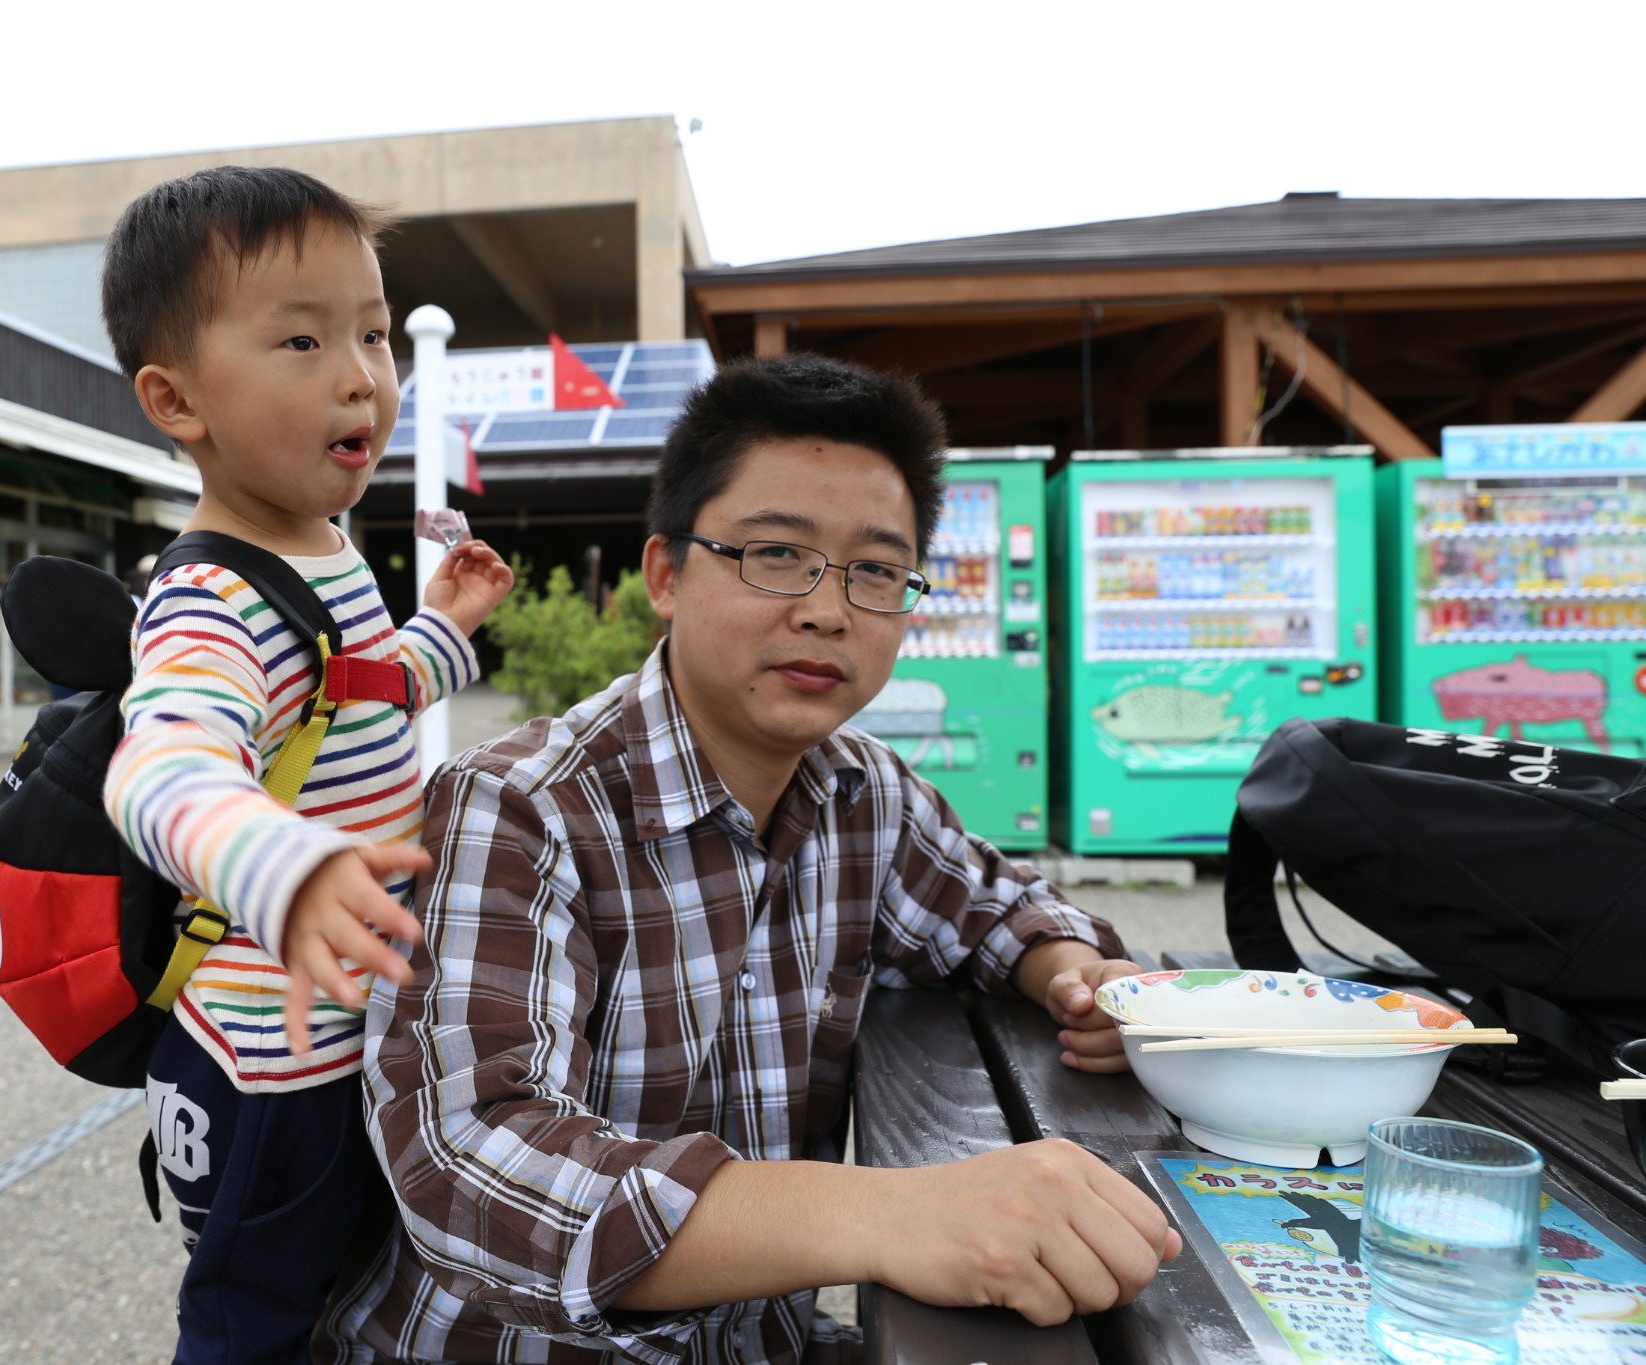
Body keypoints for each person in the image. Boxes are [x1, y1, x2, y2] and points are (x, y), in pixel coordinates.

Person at [331, 355, 1184, 1363]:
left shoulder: (860, 791)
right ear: (664, 575)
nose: (827, 608)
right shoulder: (518, 808)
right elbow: (470, 1169)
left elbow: (994, 905)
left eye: (873, 570)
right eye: (776, 554)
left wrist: (1079, 977)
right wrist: (891, 1217)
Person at [97, 164, 514, 1365]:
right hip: (267, 1061)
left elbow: (361, 693)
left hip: (345, 1017)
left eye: (374, 334)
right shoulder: (208, 598)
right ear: (178, 401)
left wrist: (443, 627)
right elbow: (162, 769)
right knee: (255, 1321)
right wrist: (286, 867)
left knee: (351, 1295)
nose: (361, 376)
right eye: (300, 338)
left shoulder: (318, 549)